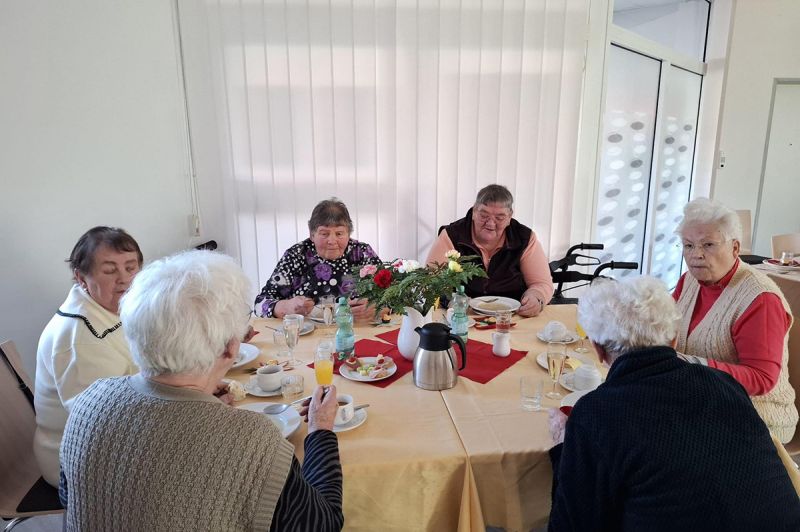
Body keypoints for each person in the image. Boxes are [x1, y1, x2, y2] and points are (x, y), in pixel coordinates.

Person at [59, 250, 344, 531]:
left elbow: (71, 499)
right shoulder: (252, 440)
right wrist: (320, 431)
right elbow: (321, 524)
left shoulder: (90, 400)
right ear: (231, 347)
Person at [548, 276, 800, 531]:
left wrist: (563, 448)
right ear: (674, 340)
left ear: (599, 350)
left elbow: (570, 524)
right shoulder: (725, 384)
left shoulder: (596, 413)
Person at [673, 198, 797, 443]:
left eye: (708, 244)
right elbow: (665, 326)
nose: (696, 255)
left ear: (735, 248)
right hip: (701, 400)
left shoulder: (759, 298)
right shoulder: (689, 281)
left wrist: (690, 365)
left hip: (756, 416)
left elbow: (762, 379)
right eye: (688, 245)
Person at [33, 226, 143, 486]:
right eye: (110, 271)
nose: (124, 279)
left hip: (114, 441)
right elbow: (101, 422)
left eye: (131, 267)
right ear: (81, 278)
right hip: (77, 465)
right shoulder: (82, 337)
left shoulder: (112, 310)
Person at [425, 184, 553, 317]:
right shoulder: (452, 235)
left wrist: (536, 297)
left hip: (513, 316)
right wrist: (452, 299)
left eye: (499, 218)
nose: (491, 223)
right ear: (474, 211)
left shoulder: (524, 238)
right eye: (483, 215)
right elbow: (430, 280)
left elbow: (541, 283)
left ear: (509, 217)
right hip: (462, 315)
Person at [255, 198, 381, 320]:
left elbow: (391, 295)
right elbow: (260, 304)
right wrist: (285, 307)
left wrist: (378, 307)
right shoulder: (296, 255)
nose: (332, 241)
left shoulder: (362, 252)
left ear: (348, 233)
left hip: (355, 329)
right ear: (312, 234)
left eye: (339, 233)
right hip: (307, 331)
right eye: (324, 233)